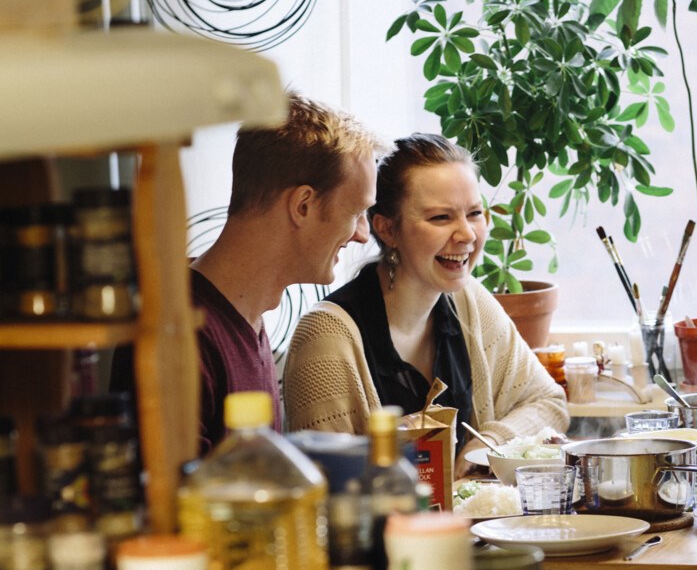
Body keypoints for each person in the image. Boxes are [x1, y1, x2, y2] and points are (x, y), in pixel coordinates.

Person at [281, 134, 568, 467]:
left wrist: (487, 444)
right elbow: (330, 493)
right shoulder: (326, 339)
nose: (468, 235)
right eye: (440, 218)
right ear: (387, 229)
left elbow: (549, 402)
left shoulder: (469, 300)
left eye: (474, 213)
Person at [185, 91, 382, 452]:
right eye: (356, 213)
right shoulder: (184, 335)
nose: (363, 234)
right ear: (303, 205)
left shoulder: (248, 316)